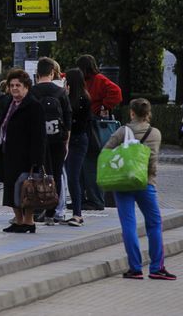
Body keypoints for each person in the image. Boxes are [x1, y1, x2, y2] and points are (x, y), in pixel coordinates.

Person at [103, 98, 176, 280]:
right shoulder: (155, 133)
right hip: (146, 182)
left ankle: (135, 268)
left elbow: (105, 151)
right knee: (154, 224)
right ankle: (156, 267)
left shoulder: (122, 131)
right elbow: (152, 161)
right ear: (149, 113)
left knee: (129, 224)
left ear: (132, 113)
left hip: (123, 182)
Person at [0, 68, 46, 234]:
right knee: (11, 188)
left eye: (18, 85)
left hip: (25, 156)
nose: (14, 88)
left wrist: (36, 159)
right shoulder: (9, 103)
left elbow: (39, 135)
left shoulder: (33, 106)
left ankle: (29, 221)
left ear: (26, 87)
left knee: (27, 189)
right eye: (11, 85)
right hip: (8, 153)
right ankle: (18, 220)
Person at [76, 54, 122, 211]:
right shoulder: (95, 79)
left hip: (92, 124)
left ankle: (95, 200)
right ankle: (86, 198)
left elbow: (116, 92)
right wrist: (105, 105)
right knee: (85, 165)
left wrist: (104, 107)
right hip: (90, 121)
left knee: (89, 165)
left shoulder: (97, 80)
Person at [29, 57, 71, 224]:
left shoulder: (32, 92)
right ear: (52, 72)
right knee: (56, 174)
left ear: (37, 73)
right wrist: (66, 140)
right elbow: (68, 117)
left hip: (39, 140)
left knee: (40, 173)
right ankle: (51, 213)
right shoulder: (60, 92)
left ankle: (38, 208)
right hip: (58, 140)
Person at [62, 67, 92, 227]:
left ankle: (77, 214)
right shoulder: (79, 97)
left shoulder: (81, 99)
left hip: (76, 141)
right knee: (70, 176)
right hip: (75, 140)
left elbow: (79, 123)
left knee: (73, 176)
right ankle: (71, 211)